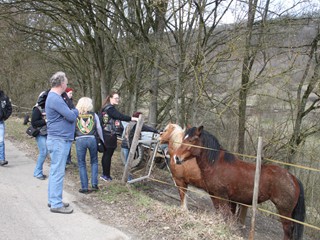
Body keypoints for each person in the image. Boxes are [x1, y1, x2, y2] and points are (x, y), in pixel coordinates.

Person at [45, 71, 79, 214]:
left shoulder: (54, 97)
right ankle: (56, 203)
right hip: (59, 139)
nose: (67, 84)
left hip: (58, 138)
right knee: (58, 172)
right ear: (61, 83)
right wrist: (77, 110)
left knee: (55, 170)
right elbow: (71, 116)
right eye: (66, 82)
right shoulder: (55, 98)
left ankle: (54, 199)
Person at [100, 92, 138, 182]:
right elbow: (120, 116)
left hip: (107, 133)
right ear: (110, 98)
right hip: (109, 134)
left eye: (118, 98)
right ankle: (106, 175)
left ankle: (105, 174)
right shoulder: (110, 109)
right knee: (108, 155)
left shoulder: (107, 108)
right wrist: (133, 118)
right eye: (116, 98)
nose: (118, 99)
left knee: (106, 155)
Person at [75, 97, 103, 193]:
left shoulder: (75, 115)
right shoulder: (94, 115)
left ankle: (84, 187)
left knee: (82, 163)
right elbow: (99, 128)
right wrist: (102, 140)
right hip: (92, 139)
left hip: (79, 139)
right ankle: (94, 184)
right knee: (94, 161)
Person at [31, 90, 49, 180]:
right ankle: (37, 172)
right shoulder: (37, 109)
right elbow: (34, 122)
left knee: (47, 152)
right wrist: (45, 121)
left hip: (47, 133)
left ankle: (38, 171)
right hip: (40, 133)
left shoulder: (49, 108)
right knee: (43, 152)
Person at [62, 87, 75, 165]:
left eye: (71, 93)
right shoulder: (63, 102)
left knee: (69, 143)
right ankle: (64, 160)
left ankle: (68, 159)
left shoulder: (71, 102)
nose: (71, 95)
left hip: (70, 125)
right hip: (64, 125)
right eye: (70, 93)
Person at [0, 89, 12, 166]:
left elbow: (9, 108)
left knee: (1, 141)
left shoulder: (4, 97)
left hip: (0, 122)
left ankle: (2, 159)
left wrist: (5, 116)